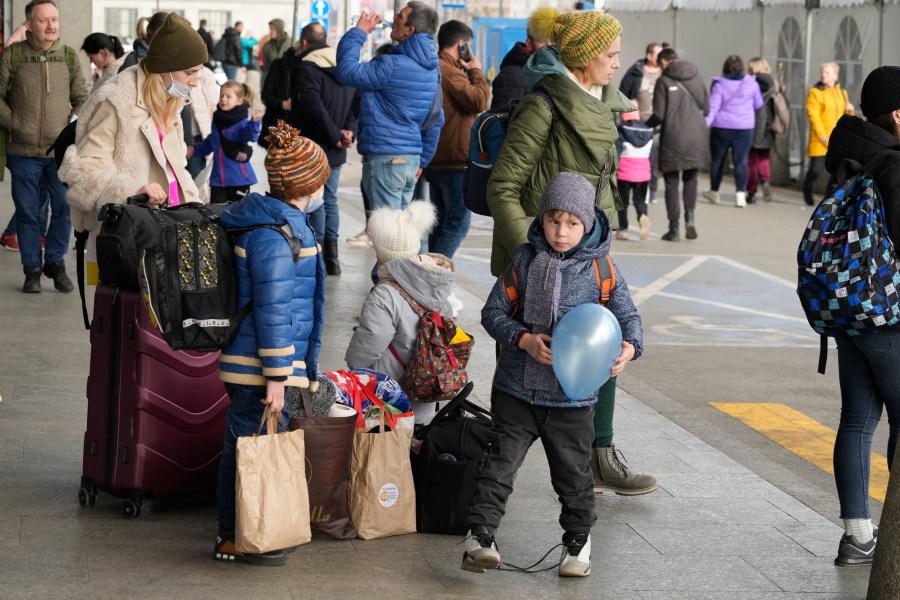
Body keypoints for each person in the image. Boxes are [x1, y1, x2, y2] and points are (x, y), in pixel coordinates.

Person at [486, 7, 656, 496]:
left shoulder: (601, 102)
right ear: (582, 59)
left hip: (586, 253)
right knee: (522, 364)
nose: (615, 63)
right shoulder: (545, 106)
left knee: (603, 348)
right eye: (609, 54)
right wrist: (533, 257)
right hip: (537, 254)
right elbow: (505, 186)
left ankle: (599, 455)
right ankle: (498, 468)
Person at [463, 172, 643, 578]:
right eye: (553, 220)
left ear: (589, 223)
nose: (562, 232)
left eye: (572, 223)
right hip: (515, 390)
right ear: (542, 219)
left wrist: (631, 346)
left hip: (573, 401)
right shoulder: (524, 261)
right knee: (498, 466)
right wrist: (523, 339)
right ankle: (480, 537)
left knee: (574, 476)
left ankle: (577, 543)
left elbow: (628, 316)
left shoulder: (603, 269)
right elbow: (492, 313)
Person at [214, 120, 329, 566]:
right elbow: (274, 309)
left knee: (249, 443)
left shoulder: (284, 225)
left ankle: (250, 526)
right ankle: (233, 533)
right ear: (308, 185)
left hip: (261, 363)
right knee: (246, 446)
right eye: (321, 181)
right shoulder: (273, 235)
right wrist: (278, 377)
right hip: (258, 366)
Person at [60, 12, 205, 288]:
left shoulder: (171, 99)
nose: (196, 81)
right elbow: (82, 171)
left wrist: (196, 207)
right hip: (126, 238)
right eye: (190, 72)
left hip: (168, 232)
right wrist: (134, 191)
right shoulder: (115, 99)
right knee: (127, 325)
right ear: (166, 67)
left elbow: (176, 169)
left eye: (199, 72)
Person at [822, 65, 900, 568]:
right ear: (897, 114)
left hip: (850, 310)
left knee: (857, 419)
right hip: (888, 313)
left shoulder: (848, 153)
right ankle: (891, 538)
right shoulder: (893, 165)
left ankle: (858, 536)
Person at [0, 0, 90, 293]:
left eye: (54, 19)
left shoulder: (68, 56)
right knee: (27, 213)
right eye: (43, 21)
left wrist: (69, 129)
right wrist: (14, 123)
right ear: (29, 24)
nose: (51, 25)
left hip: (58, 154)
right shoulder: (12, 56)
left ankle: (55, 263)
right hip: (22, 153)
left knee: (64, 208)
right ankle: (32, 270)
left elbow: (83, 98)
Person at [345, 201, 453, 425]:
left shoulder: (385, 294)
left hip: (389, 400)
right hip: (427, 397)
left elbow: (370, 342)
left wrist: (353, 365)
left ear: (381, 251)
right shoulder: (437, 285)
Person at [336, 1, 443, 213]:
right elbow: (436, 119)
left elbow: (346, 71)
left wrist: (358, 32)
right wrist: (422, 161)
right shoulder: (432, 70)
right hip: (410, 158)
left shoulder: (390, 65)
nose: (393, 18)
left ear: (409, 30)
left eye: (400, 17)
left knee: (387, 235)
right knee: (401, 231)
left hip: (386, 157)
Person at [291, 22, 358, 277]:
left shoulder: (307, 68)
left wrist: (333, 136)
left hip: (313, 146)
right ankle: (333, 258)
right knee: (329, 200)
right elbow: (354, 105)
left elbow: (313, 108)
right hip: (337, 146)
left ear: (304, 43)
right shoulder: (345, 67)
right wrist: (346, 133)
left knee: (314, 200)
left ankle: (316, 254)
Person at [424, 19, 490, 259]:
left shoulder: (435, 66)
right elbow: (479, 100)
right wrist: (475, 69)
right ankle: (432, 274)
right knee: (458, 223)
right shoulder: (449, 71)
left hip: (437, 157)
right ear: (462, 44)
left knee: (440, 223)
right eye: (468, 46)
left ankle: (429, 275)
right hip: (453, 160)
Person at [647, 48, 708, 241]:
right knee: (691, 178)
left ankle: (674, 228)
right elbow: (706, 108)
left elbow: (659, 114)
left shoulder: (663, 81)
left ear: (664, 62)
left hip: (673, 137)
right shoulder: (697, 76)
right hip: (697, 136)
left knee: (672, 182)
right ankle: (690, 217)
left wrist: (644, 125)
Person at [703, 54, 763, 208]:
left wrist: (704, 126)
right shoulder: (751, 83)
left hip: (721, 127)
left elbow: (713, 108)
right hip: (744, 128)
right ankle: (740, 195)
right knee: (741, 162)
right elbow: (758, 104)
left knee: (718, 161)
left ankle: (714, 192)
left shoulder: (719, 84)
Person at [192, 81, 263, 204]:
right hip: (218, 181)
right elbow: (210, 143)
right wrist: (193, 150)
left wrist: (254, 123)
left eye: (228, 96)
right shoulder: (217, 121)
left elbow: (251, 136)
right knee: (217, 213)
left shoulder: (242, 123)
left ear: (239, 101)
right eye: (221, 96)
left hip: (239, 180)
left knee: (240, 214)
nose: (223, 99)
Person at [803, 62, 855, 206]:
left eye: (827, 72)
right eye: (822, 72)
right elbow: (813, 115)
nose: (823, 75)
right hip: (821, 139)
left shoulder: (842, 93)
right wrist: (822, 136)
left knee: (838, 171)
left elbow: (846, 117)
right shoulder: (815, 92)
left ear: (835, 75)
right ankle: (807, 188)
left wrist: (850, 110)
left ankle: (833, 199)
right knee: (816, 169)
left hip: (838, 140)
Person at [619, 42, 663, 201]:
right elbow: (623, 93)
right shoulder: (636, 71)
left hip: (657, 124)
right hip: (637, 124)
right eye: (658, 54)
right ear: (649, 55)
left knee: (653, 159)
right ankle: (629, 190)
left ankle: (651, 190)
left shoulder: (665, 73)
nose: (661, 58)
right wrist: (626, 117)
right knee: (631, 159)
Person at [614, 100, 653, 241]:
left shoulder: (622, 130)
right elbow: (652, 154)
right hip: (643, 173)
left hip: (625, 172)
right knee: (640, 200)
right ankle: (643, 215)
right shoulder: (649, 130)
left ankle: (623, 230)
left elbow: (616, 152)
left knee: (623, 202)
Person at [489, 27, 550, 111]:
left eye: (553, 40)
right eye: (541, 40)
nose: (549, 45)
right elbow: (503, 120)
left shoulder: (550, 73)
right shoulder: (511, 76)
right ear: (528, 43)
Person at [746, 57, 777, 204]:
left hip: (753, 124)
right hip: (769, 127)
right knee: (764, 158)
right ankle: (765, 181)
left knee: (752, 160)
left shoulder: (752, 82)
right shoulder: (773, 83)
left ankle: (751, 192)